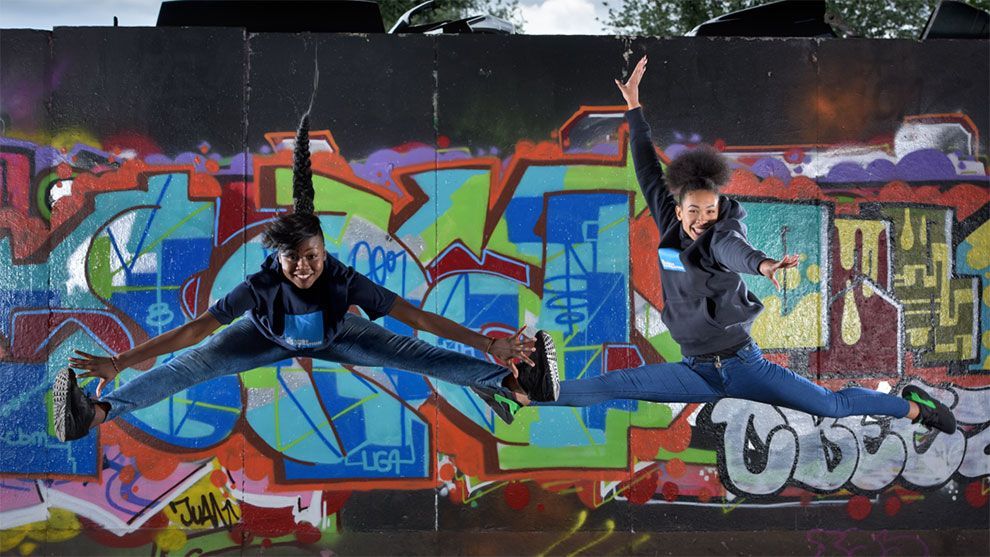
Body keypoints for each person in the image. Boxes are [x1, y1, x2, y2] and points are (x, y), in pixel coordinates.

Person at [53, 114, 558, 442]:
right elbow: (196, 330)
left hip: (340, 337)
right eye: (294, 261)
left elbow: (416, 316)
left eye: (312, 257)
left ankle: (515, 383)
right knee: (189, 366)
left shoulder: (342, 279)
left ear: (323, 251)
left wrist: (485, 344)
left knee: (414, 354)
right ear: (280, 259)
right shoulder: (261, 286)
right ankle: (94, 414)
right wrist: (120, 360)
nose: (303, 268)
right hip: (263, 339)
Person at [532, 56, 955, 435]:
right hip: (695, 370)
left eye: (710, 211)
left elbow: (734, 251)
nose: (702, 220)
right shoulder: (670, 221)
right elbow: (646, 167)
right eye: (693, 211)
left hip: (744, 366)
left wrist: (763, 265)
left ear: (719, 209)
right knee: (615, 384)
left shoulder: (721, 235)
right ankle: (530, 394)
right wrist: (634, 109)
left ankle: (914, 408)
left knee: (831, 405)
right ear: (678, 211)